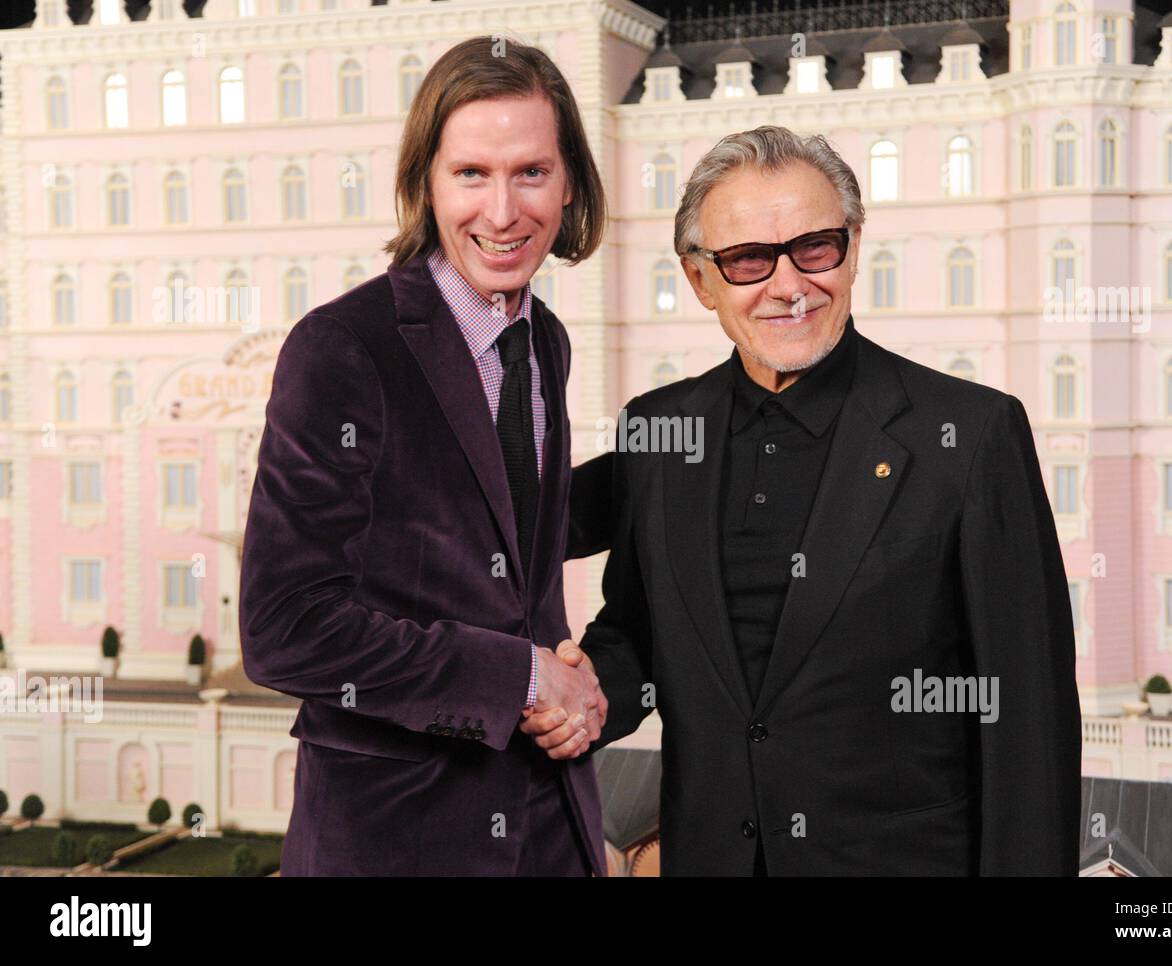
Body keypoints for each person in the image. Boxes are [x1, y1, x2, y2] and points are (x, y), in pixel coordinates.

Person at [533, 125, 1082, 875]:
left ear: (853, 248)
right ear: (701, 280)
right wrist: (586, 692)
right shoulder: (659, 428)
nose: (789, 286)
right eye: (749, 260)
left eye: (815, 247)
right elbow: (640, 635)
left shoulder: (973, 433)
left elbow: (1028, 723)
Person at [240, 36, 608, 876]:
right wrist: (516, 678)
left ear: (571, 184)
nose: (504, 211)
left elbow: (504, 540)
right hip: (395, 839)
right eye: (471, 173)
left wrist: (691, 461)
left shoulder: (542, 338)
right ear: (425, 183)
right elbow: (284, 629)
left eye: (533, 172)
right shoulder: (342, 349)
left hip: (552, 828)